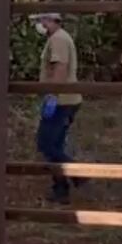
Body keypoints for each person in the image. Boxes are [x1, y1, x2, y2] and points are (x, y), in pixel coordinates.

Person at [34, 12, 83, 204]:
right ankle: (61, 187)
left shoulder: (59, 40)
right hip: (63, 99)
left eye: (41, 20)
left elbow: (60, 68)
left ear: (51, 21)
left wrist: (52, 95)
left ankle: (77, 174)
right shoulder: (58, 38)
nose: (39, 24)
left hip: (62, 101)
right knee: (54, 145)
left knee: (46, 144)